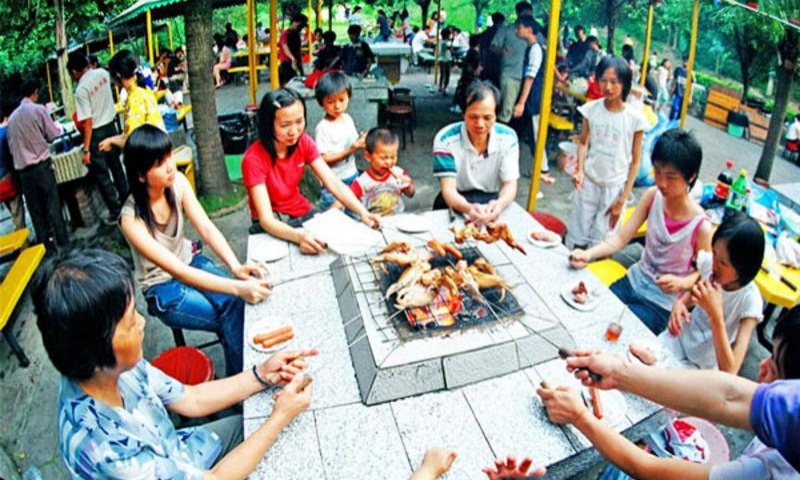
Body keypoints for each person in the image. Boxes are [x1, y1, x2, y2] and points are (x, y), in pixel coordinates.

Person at [32, 247, 314, 479]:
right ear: (95, 347)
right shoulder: (106, 449)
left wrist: (260, 374)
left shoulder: (111, 368)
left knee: (255, 423)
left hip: (179, 451)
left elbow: (191, 397)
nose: (142, 324)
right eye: (130, 322)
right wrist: (280, 416)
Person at [540, 317, 800, 478]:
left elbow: (647, 468)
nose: (762, 364)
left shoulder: (772, 472)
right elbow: (731, 397)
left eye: (775, 365)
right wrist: (618, 373)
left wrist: (579, 415)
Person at [121, 125, 270, 376]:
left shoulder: (177, 182)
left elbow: (207, 228)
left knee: (234, 306)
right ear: (140, 175)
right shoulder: (131, 219)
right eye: (159, 163)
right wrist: (237, 286)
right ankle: (241, 386)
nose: (170, 165)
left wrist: (235, 266)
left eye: (169, 155)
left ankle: (239, 382)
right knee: (234, 310)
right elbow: (175, 270)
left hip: (190, 261)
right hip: (162, 287)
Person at [570, 128, 713, 334]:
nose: (662, 183)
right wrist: (588, 254)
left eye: (671, 177)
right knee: (591, 317)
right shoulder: (652, 196)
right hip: (633, 281)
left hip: (660, 304)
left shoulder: (701, 227)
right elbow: (620, 238)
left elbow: (704, 275)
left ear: (690, 177)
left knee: (617, 335)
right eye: (658, 173)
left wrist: (681, 282)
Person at [241, 88, 380, 254]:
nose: (294, 131)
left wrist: (362, 212)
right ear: (268, 124)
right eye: (285, 125)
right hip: (273, 221)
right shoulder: (253, 159)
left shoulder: (304, 142)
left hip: (301, 211)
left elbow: (333, 182)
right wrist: (299, 237)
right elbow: (266, 219)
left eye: (299, 121)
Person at [659, 212, 764, 372]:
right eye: (714, 253)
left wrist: (716, 314)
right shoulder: (710, 265)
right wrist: (680, 304)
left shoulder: (749, 301)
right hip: (678, 342)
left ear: (744, 270)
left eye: (723, 262)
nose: (715, 264)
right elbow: (694, 293)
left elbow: (731, 370)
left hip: (703, 369)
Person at [565, 56, 649, 249]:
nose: (608, 87)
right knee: (577, 234)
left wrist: (622, 199)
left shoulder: (635, 119)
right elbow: (584, 142)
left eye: (614, 82)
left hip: (614, 188)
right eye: (603, 80)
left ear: (624, 83)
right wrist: (579, 170)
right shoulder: (591, 109)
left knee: (602, 241)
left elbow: (635, 161)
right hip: (588, 182)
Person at [432, 81, 519, 225]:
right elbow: (448, 190)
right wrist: (468, 208)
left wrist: (500, 204)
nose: (480, 124)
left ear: (496, 116)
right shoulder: (445, 140)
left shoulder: (508, 139)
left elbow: (510, 185)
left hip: (491, 200)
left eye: (487, 118)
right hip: (454, 201)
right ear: (463, 113)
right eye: (473, 117)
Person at [67, 51, 128, 226]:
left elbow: (87, 122)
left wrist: (86, 149)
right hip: (111, 126)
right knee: (117, 166)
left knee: (102, 175)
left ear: (74, 72)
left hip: (96, 133)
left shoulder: (81, 90)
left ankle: (116, 211)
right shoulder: (102, 73)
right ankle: (127, 201)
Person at [6, 79, 69, 248]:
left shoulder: (11, 120)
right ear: (35, 92)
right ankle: (63, 244)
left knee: (36, 212)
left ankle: (45, 247)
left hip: (24, 174)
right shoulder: (38, 110)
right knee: (52, 206)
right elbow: (52, 135)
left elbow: (12, 150)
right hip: (42, 167)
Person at [313, 72, 366, 210]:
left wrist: (361, 139)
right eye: (330, 102)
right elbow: (322, 159)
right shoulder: (323, 128)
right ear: (321, 103)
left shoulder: (348, 119)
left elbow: (353, 141)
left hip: (352, 176)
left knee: (354, 216)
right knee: (333, 220)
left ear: (349, 97)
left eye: (342, 100)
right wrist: (351, 149)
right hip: (333, 182)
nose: (337, 106)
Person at [512, 15, 555, 187]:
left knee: (536, 134)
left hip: (534, 98)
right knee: (531, 134)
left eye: (519, 27)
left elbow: (530, 77)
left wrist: (521, 103)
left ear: (528, 30)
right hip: (533, 97)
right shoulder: (534, 48)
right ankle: (539, 168)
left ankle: (543, 170)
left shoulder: (536, 49)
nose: (517, 30)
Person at [99, 50, 165, 152]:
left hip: (153, 156)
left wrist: (112, 141)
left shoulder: (135, 98)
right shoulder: (142, 90)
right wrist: (112, 140)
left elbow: (132, 141)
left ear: (118, 75)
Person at [340, 127, 414, 216]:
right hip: (373, 224)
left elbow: (410, 194)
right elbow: (345, 198)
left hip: (396, 220)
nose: (389, 162)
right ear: (368, 156)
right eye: (383, 158)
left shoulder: (399, 173)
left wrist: (408, 184)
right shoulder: (362, 182)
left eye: (393, 157)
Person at [490, 1, 533, 123]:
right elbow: (492, 47)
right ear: (519, 14)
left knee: (519, 111)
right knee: (506, 110)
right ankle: (500, 136)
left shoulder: (533, 32)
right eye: (526, 14)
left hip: (527, 76)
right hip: (510, 74)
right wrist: (503, 51)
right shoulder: (506, 30)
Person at [0, 98, 25, 231]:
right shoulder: (8, 132)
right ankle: (23, 245)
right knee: (18, 212)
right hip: (9, 176)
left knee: (12, 210)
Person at [278, 14, 308, 85]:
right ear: (294, 22)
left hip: (297, 61)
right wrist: (292, 58)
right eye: (300, 25)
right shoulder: (285, 34)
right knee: (291, 83)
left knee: (299, 82)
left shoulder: (297, 34)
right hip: (287, 62)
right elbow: (284, 46)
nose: (301, 27)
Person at [479, 12, 505, 88]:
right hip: (497, 64)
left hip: (486, 62)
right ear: (501, 22)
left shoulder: (486, 33)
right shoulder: (501, 34)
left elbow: (481, 46)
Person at [670, 56, 690, 121]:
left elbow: (691, 85)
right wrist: (672, 88)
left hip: (685, 94)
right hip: (677, 92)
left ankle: (677, 122)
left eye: (687, 62)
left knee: (681, 111)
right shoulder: (678, 70)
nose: (686, 63)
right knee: (674, 108)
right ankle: (670, 120)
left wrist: (690, 97)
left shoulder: (690, 73)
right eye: (685, 61)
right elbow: (674, 80)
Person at [438, 27, 454, 95]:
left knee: (442, 74)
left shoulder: (441, 41)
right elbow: (445, 49)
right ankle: (445, 88)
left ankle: (440, 86)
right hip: (446, 60)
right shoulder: (444, 43)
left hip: (442, 60)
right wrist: (450, 46)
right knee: (447, 75)